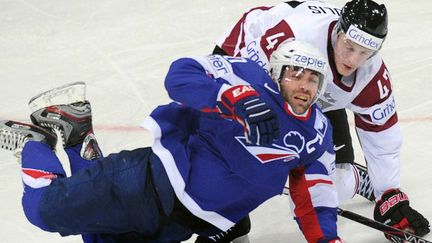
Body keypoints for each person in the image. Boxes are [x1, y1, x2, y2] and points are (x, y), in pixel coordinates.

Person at [0, 40, 344, 242]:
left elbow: (316, 193)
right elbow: (181, 72)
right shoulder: (249, 78)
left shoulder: (317, 133)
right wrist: (232, 96)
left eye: (314, 78)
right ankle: (35, 142)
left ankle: (77, 133)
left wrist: (327, 239)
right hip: (145, 184)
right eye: (296, 73)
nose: (304, 85)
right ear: (277, 72)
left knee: (95, 236)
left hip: (179, 227)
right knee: (41, 210)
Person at [201, 0, 430, 241]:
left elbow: (382, 136)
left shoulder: (372, 75)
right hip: (257, 66)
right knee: (232, 143)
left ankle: (355, 178)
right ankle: (226, 219)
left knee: (323, 186)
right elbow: (239, 83)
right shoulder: (292, 34)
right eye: (349, 47)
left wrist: (388, 194)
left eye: (365, 53)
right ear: (338, 33)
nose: (353, 61)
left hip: (316, 90)